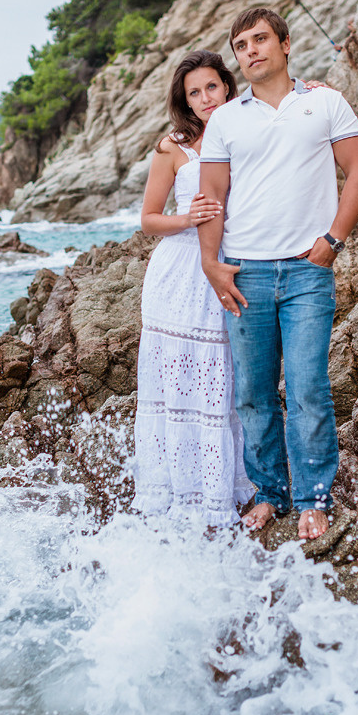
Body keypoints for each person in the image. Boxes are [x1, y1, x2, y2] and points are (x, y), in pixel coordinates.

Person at [198, 8, 358, 541]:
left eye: (260, 39)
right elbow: (212, 199)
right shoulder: (226, 119)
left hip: (306, 272)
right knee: (252, 392)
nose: (251, 50)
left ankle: (313, 497)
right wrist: (212, 265)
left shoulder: (324, 101)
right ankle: (270, 493)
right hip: (245, 272)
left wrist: (332, 242)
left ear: (286, 44)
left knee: (308, 388)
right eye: (241, 45)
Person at [131, 49, 255, 527]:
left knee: (226, 379)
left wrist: (313, 88)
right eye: (194, 92)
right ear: (185, 101)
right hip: (178, 275)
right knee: (182, 382)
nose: (205, 98)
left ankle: (233, 486)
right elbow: (148, 218)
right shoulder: (173, 147)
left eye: (211, 87)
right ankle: (181, 491)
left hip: (232, 263)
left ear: (227, 86)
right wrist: (187, 219)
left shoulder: (245, 128)